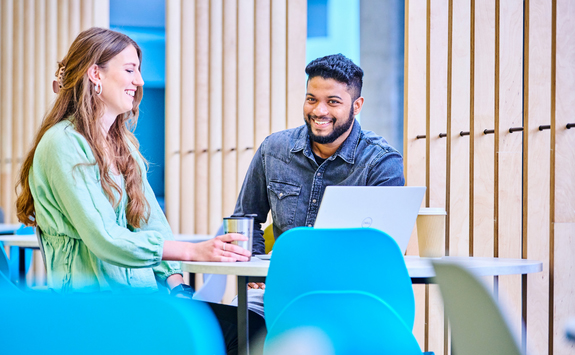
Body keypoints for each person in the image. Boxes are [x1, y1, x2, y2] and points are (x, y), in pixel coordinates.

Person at [15, 27, 263, 355]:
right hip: (94, 308)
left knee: (251, 326)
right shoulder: (62, 143)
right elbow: (104, 237)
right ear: (95, 74)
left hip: (142, 300)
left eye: (139, 72)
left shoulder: (124, 146)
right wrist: (190, 252)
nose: (140, 82)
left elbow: (151, 224)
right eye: (130, 70)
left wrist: (177, 288)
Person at [232, 53, 405, 299]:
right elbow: (245, 221)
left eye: (333, 102)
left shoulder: (380, 162)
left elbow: (387, 248)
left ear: (356, 106)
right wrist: (257, 274)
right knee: (233, 329)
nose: (319, 111)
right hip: (283, 289)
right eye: (311, 99)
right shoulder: (274, 149)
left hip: (352, 295)